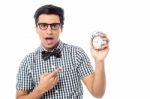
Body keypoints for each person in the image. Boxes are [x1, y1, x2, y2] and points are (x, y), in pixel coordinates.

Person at [16, 4, 109, 99]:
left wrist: (99, 61)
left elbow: (97, 93)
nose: (49, 31)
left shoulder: (76, 53)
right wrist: (40, 89)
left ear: (61, 28)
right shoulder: (27, 62)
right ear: (36, 29)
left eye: (54, 25)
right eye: (43, 25)